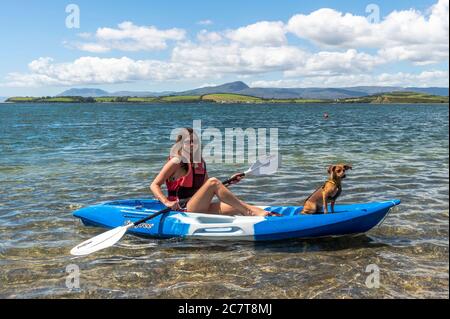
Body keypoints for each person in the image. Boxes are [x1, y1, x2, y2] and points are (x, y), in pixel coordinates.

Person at [150, 128, 271, 216]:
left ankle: (267, 215)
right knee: (213, 182)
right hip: (182, 208)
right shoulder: (176, 161)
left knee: (237, 206)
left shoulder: (200, 163)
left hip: (198, 206)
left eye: (195, 141)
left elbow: (206, 189)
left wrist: (230, 181)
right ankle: (249, 212)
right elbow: (154, 185)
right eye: (188, 142)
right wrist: (167, 202)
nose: (192, 144)